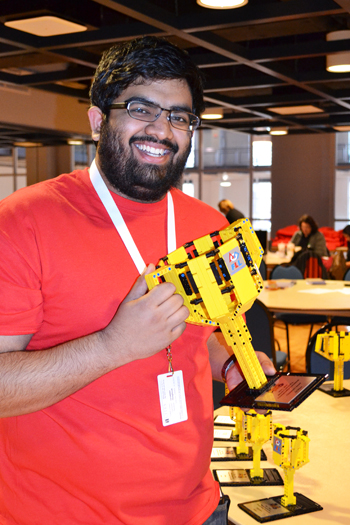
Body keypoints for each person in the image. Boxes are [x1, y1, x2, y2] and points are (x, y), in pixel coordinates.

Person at [0, 36, 275, 525]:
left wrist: (227, 361)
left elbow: (193, 338)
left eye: (179, 116)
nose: (161, 129)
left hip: (197, 508)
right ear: (97, 119)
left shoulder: (208, 225)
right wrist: (113, 346)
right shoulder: (22, 221)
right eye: (141, 107)